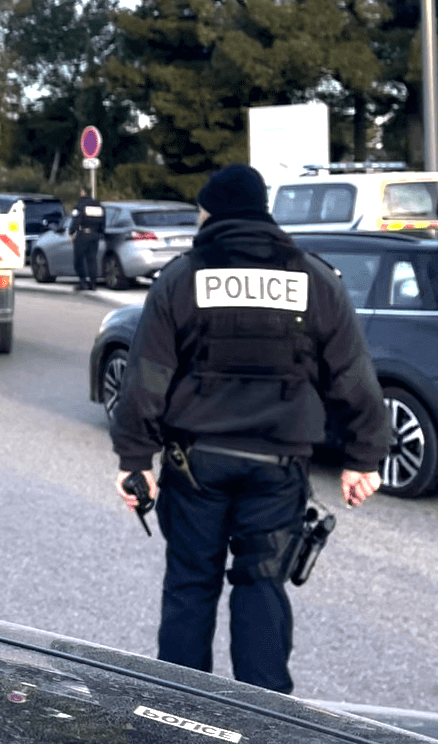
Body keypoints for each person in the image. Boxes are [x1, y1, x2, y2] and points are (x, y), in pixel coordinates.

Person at [110, 164, 388, 695]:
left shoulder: (181, 277)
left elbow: (146, 379)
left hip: (196, 464)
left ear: (211, 213)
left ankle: (182, 715)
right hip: (277, 469)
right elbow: (353, 373)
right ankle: (264, 718)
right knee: (262, 586)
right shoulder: (313, 277)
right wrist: (364, 459)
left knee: (191, 586)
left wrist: (134, 463)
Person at [70, 193, 106, 290]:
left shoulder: (80, 205)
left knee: (78, 260)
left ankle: (82, 281)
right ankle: (93, 283)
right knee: (92, 260)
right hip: (95, 235)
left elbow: (75, 220)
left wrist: (71, 232)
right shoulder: (99, 206)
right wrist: (99, 232)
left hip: (83, 235)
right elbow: (103, 222)